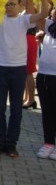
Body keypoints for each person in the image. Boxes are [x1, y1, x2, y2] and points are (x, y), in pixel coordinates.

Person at [0, 0, 49, 158]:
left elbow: (42, 13)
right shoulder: (0, 18)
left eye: (12, 4)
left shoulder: (23, 20)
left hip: (18, 70)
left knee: (16, 110)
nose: (9, 7)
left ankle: (11, 144)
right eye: (6, 4)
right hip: (0, 68)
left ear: (20, 5)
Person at [36, 8, 56, 159]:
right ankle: (48, 142)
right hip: (44, 76)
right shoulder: (50, 27)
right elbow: (39, 18)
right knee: (47, 111)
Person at [22, 0, 39, 109]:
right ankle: (27, 97)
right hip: (25, 39)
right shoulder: (23, 12)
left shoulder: (30, 12)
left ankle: (31, 99)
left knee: (28, 72)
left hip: (29, 39)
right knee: (25, 71)